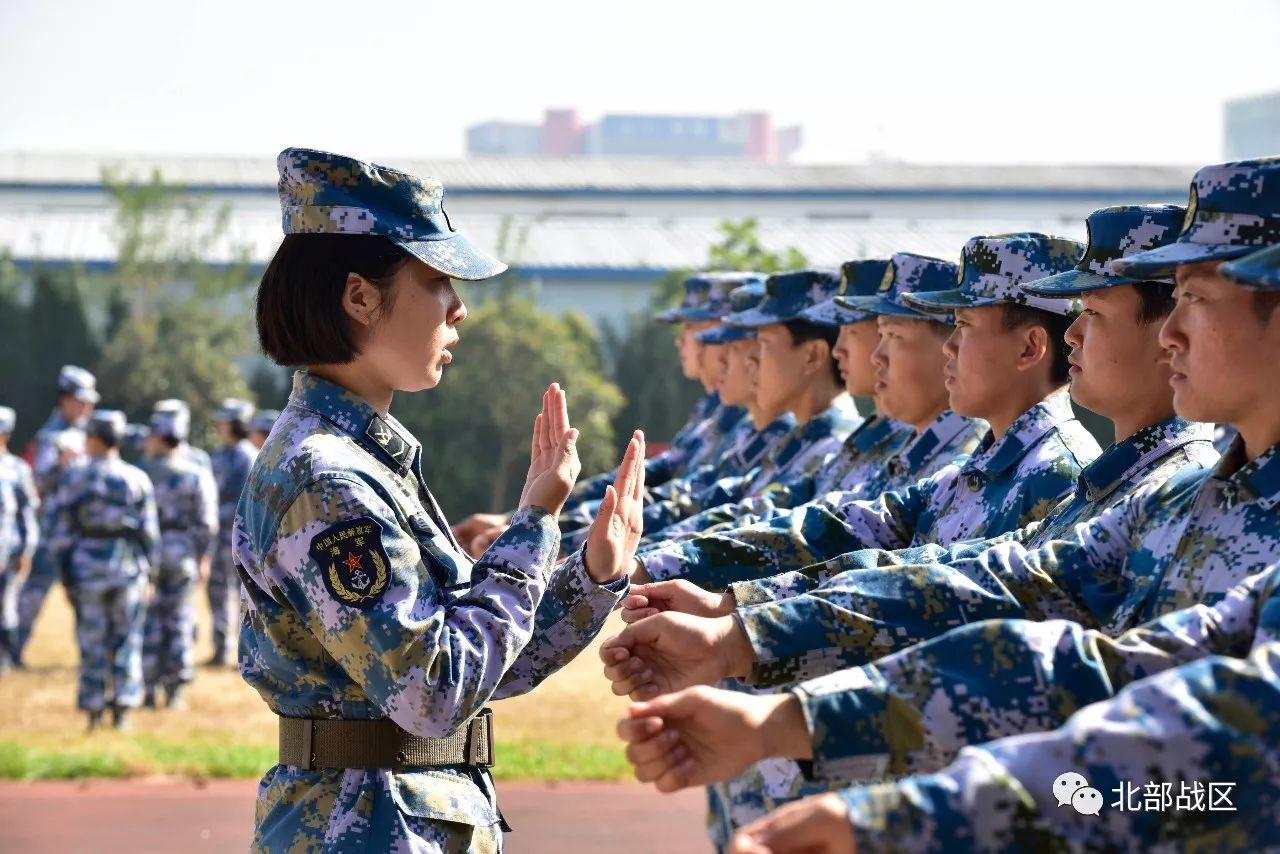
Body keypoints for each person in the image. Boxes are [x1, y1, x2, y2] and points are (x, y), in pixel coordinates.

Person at [614, 157, 1280, 851]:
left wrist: (904, 819)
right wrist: (752, 650)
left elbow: (1216, 745)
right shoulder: (1174, 500)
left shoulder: (1092, 477)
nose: (1174, 331)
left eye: (1197, 299)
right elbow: (1014, 601)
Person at [237, 147, 647, 851]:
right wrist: (535, 522)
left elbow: (484, 665)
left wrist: (593, 574)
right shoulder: (327, 479)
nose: (459, 309)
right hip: (363, 829)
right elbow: (435, 691)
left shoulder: (363, 459)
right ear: (360, 296)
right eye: (435, 282)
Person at [632, 233, 1099, 592]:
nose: (951, 348)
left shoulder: (1057, 476)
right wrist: (655, 562)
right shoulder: (973, 467)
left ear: (1030, 347)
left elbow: (934, 598)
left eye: (965, 326)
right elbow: (827, 530)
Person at [47, 410, 158, 731]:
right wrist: (150, 573)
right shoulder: (137, 478)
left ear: (94, 438)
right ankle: (123, 709)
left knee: (92, 640)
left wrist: (65, 574)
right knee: (127, 639)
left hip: (87, 568)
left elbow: (61, 531)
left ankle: (94, 709)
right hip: (128, 568)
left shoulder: (75, 477)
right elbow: (149, 534)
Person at [141, 407, 218, 709]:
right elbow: (207, 523)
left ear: (160, 437)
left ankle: (146, 687)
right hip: (183, 554)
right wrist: (203, 557)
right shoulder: (196, 473)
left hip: (149, 557)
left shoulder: (144, 472)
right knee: (180, 620)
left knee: (149, 621)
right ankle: (175, 691)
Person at [12, 427, 86, 664]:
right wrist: (60, 466)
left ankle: (91, 657)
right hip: (50, 540)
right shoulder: (49, 454)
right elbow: (38, 488)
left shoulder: (89, 466)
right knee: (32, 596)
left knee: (88, 601)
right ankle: (13, 652)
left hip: (82, 543)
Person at [207, 397, 257, 666]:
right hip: (218, 535)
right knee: (217, 590)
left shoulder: (247, 455)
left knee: (243, 594)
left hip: (241, 537)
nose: (219, 426)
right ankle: (219, 647)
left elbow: (245, 499)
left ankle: (245, 652)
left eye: (224, 421)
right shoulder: (218, 455)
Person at [0, 406, 39, 670]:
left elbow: (27, 513)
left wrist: (27, 549)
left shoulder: (17, 469)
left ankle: (7, 658)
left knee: (6, 608)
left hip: (8, 552)